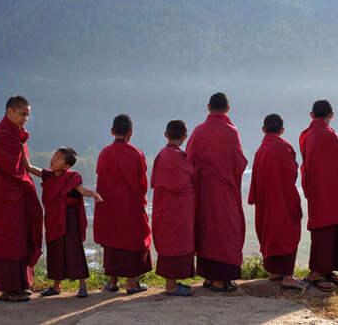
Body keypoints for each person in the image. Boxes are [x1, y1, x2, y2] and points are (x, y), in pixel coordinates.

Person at [186, 92, 247, 292]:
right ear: (227, 109)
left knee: (206, 230)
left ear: (208, 107)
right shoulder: (231, 131)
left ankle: (209, 277)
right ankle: (220, 280)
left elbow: (188, 160)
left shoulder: (198, 131)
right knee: (225, 231)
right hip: (224, 190)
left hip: (203, 191)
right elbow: (238, 162)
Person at [22, 146, 103, 298]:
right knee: (55, 250)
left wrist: (93, 194)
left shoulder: (71, 178)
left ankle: (82, 286)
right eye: (55, 155)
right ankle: (56, 286)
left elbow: (81, 189)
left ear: (66, 166)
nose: (53, 159)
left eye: (59, 158)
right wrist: (20, 145)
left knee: (74, 250)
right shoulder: (48, 175)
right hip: (53, 219)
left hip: (69, 219)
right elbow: (29, 167)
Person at [0, 95, 43, 302]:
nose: (25, 119)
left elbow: (24, 167)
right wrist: (27, 183)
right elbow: (13, 171)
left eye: (27, 115)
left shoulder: (16, 135)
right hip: (5, 199)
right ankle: (9, 288)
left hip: (19, 198)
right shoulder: (1, 137)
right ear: (9, 111)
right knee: (10, 240)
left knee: (22, 238)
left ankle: (21, 284)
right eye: (22, 114)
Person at [299, 100, 338, 292]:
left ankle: (326, 271)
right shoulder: (328, 135)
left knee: (328, 229)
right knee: (326, 230)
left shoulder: (310, 135)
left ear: (311, 115)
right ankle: (316, 273)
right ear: (331, 115)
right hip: (330, 192)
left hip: (321, 192)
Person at [94, 114, 152, 295]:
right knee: (132, 241)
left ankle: (112, 282)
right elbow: (142, 184)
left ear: (112, 131)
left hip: (108, 206)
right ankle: (132, 283)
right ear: (131, 133)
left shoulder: (104, 153)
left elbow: (101, 179)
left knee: (112, 241)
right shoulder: (136, 154)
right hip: (129, 207)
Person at [248, 114, 303, 290]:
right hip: (284, 198)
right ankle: (287, 276)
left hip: (265, 200)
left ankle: (274, 272)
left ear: (263, 130)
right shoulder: (285, 147)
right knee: (288, 232)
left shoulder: (261, 150)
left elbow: (255, 176)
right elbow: (293, 172)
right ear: (282, 130)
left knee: (269, 232)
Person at [151, 120, 195, 296]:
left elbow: (154, 180)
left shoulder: (161, 155)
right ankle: (172, 286)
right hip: (182, 208)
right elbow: (192, 177)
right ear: (185, 137)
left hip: (164, 206)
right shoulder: (183, 158)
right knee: (179, 242)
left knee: (169, 241)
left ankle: (172, 283)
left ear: (166, 134)